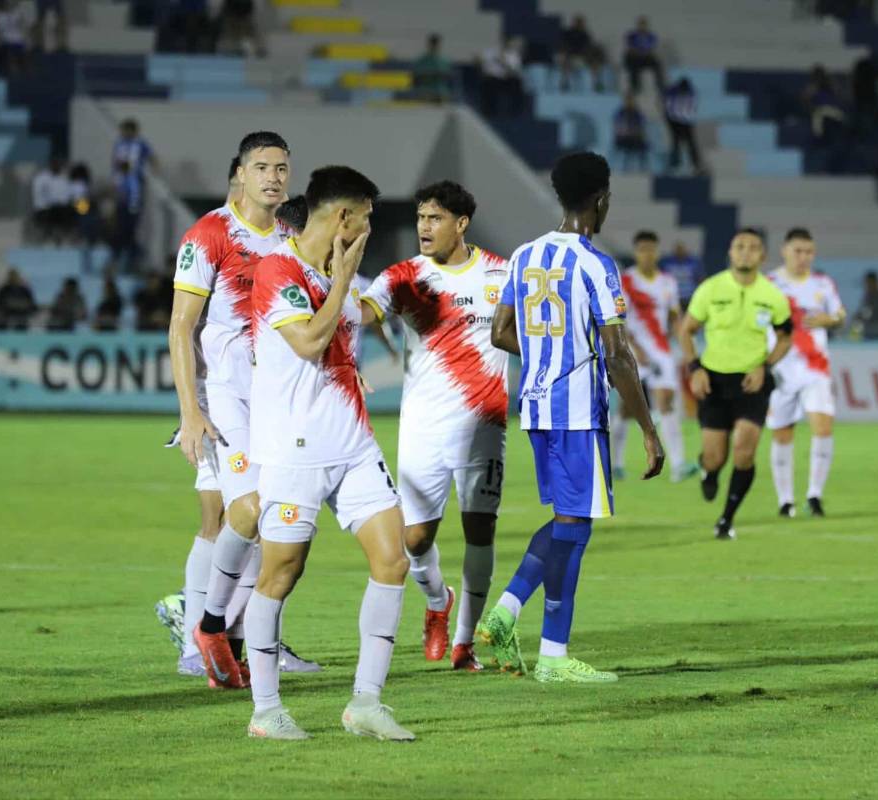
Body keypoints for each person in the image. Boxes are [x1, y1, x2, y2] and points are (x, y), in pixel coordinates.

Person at [477, 151, 664, 683]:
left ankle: (507, 612)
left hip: (536, 407)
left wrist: (543, 358)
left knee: (567, 518)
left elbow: (499, 332)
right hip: (578, 412)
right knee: (576, 529)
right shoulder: (595, 263)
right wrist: (649, 430)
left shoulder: (523, 255)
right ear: (602, 199)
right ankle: (553, 656)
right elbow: (619, 353)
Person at [245, 165, 414, 740]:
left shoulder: (338, 274)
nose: (368, 228)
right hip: (294, 450)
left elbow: (338, 346)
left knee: (393, 560)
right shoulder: (278, 270)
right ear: (343, 217)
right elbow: (310, 341)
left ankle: (366, 702)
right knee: (280, 575)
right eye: (366, 218)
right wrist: (343, 280)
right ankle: (266, 711)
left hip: (353, 444)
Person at [359, 181, 509, 673]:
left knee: (479, 530)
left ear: (461, 223)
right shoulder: (404, 277)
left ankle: (465, 644)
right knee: (416, 539)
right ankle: (436, 599)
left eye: (435, 218)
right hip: (423, 423)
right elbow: (363, 312)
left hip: (485, 422)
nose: (424, 226)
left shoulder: (501, 274)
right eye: (421, 217)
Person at [168, 132, 295, 689]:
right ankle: (203, 634)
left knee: (274, 521)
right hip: (226, 398)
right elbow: (180, 326)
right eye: (261, 166)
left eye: (282, 168)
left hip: (279, 401)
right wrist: (191, 411)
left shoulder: (291, 238)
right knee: (236, 511)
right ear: (240, 173)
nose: (272, 176)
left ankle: (237, 640)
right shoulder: (210, 234)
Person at [679, 229, 793, 540]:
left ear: (762, 256)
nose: (745, 252)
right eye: (739, 246)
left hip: (751, 382)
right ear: (730, 252)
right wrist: (694, 368)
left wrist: (766, 366)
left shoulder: (772, 296)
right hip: (713, 380)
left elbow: (786, 336)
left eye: (753, 247)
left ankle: (726, 519)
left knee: (744, 452)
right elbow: (686, 329)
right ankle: (709, 469)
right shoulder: (710, 289)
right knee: (716, 456)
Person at [765, 228, 845, 518]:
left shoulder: (822, 283)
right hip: (781, 370)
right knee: (782, 433)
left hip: (816, 368)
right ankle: (785, 500)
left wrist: (831, 319)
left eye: (808, 252)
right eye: (798, 251)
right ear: (785, 251)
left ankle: (814, 495)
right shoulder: (769, 283)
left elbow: (839, 314)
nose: (803, 257)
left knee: (823, 428)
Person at [611, 230, 695, 482]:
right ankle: (615, 463)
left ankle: (678, 464)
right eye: (642, 249)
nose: (647, 254)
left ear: (657, 251)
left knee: (666, 401)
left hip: (661, 351)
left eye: (651, 249)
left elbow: (674, 318)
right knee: (627, 407)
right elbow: (619, 321)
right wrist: (635, 350)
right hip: (633, 351)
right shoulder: (625, 281)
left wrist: (683, 342)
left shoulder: (667, 282)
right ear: (636, 252)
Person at [663, 77, 702, 173]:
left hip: (682, 120)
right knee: (678, 141)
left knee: (687, 142)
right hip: (677, 120)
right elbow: (668, 107)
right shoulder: (674, 91)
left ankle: (694, 163)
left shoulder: (689, 92)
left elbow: (692, 107)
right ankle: (677, 163)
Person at [557, 14, 605, 92]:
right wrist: (567, 53)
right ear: (574, 23)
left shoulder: (585, 35)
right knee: (563, 59)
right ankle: (565, 83)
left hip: (583, 57)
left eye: (581, 23)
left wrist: (587, 55)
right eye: (578, 22)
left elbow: (589, 47)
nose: (580, 24)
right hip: (570, 56)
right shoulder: (568, 33)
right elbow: (563, 45)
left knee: (595, 63)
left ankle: (597, 83)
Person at [478, 35, 523, 117]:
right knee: (489, 83)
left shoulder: (513, 55)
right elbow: (484, 66)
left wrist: (503, 61)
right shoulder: (490, 52)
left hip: (505, 79)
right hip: (492, 78)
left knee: (516, 83)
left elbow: (514, 70)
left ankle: (514, 111)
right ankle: (489, 111)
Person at [110, 160, 143, 272]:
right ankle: (123, 257)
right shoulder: (122, 179)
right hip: (123, 209)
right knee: (122, 234)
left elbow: (135, 195)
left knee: (128, 235)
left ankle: (131, 259)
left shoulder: (132, 180)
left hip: (129, 211)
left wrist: (132, 210)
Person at [31, 157, 70, 243]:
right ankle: (53, 235)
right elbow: (39, 196)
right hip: (45, 209)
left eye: (59, 165)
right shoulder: (42, 178)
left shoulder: (63, 178)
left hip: (61, 208)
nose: (57, 166)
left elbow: (68, 195)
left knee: (83, 209)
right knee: (57, 212)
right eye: (55, 164)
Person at [622, 15, 663, 94]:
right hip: (635, 59)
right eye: (640, 24)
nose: (642, 26)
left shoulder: (651, 36)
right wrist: (638, 52)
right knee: (633, 67)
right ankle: (636, 87)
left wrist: (646, 52)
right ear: (638, 25)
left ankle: (660, 85)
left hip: (645, 58)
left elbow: (652, 48)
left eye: (644, 24)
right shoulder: (632, 36)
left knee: (657, 64)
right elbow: (630, 48)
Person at [411, 33, 452, 103]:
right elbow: (415, 78)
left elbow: (448, 78)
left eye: (436, 44)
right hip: (425, 92)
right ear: (429, 44)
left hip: (440, 93)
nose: (434, 46)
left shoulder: (445, 60)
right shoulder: (421, 61)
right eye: (433, 43)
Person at [660, 240, 702, 307]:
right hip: (672, 297)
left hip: (689, 298)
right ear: (674, 250)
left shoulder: (693, 263)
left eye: (682, 249)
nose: (680, 251)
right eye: (678, 249)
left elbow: (700, 279)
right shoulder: (666, 263)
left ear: (686, 250)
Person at [613, 94, 648, 172]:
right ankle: (623, 170)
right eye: (628, 100)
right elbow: (617, 127)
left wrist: (636, 133)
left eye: (631, 100)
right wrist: (624, 132)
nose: (629, 102)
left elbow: (642, 126)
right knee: (624, 148)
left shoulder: (637, 113)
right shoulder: (620, 113)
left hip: (635, 138)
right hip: (623, 139)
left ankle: (643, 169)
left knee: (643, 147)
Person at [852, 270, 878, 340]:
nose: (867, 285)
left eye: (868, 282)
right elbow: (863, 311)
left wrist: (872, 315)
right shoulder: (867, 296)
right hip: (867, 333)